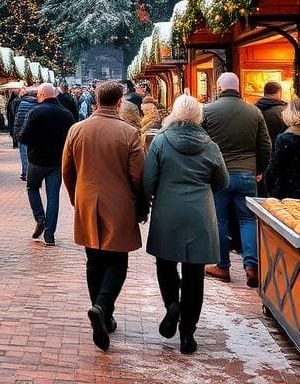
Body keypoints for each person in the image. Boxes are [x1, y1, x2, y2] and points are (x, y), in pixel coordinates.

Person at [62, 80, 147, 352]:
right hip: (119, 203)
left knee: (93, 259)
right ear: (120, 102)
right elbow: (138, 175)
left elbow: (67, 169)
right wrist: (140, 204)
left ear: (96, 100)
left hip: (87, 201)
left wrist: (77, 196)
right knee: (117, 260)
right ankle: (103, 306)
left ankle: (100, 310)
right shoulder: (129, 132)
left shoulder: (77, 129)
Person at [144, 94, 228, 355]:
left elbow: (148, 180)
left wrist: (152, 197)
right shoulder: (210, 146)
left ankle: (172, 305)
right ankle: (188, 334)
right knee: (194, 274)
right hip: (200, 213)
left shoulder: (161, 141)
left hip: (168, 210)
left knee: (165, 263)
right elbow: (222, 181)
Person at [201, 72, 271, 288]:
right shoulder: (254, 112)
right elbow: (266, 145)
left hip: (219, 175)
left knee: (219, 220)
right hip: (247, 173)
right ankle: (252, 265)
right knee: (248, 219)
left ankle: (222, 266)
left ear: (219, 88)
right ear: (238, 88)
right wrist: (259, 169)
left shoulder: (208, 111)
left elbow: (201, 142)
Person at [18, 83, 74, 246]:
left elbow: (24, 136)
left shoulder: (35, 112)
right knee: (53, 196)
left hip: (36, 160)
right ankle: (50, 234)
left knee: (32, 188)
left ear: (41, 95)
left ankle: (39, 217)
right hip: (57, 162)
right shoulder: (67, 114)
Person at [12, 87, 39, 181]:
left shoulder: (22, 103)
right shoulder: (39, 104)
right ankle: (33, 174)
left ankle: (25, 172)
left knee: (24, 154)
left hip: (22, 133)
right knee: (34, 154)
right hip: (35, 134)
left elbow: (17, 119)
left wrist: (15, 134)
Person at [255, 81, 287, 147]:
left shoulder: (254, 110)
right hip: (279, 149)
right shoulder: (285, 111)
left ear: (264, 92)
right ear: (279, 92)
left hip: (260, 149)